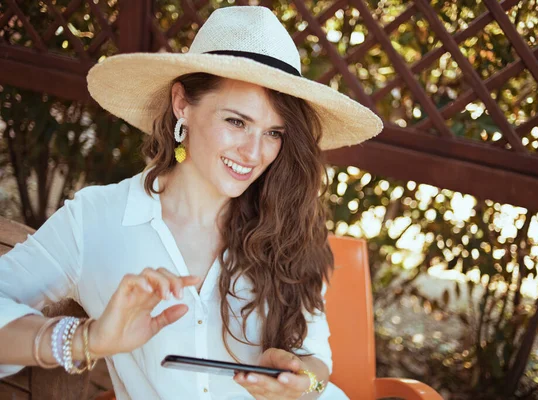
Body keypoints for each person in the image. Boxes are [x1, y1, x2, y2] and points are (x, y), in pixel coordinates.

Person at [0, 6, 382, 399]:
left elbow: (318, 362)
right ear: (182, 103)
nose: (254, 152)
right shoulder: (97, 219)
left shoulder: (287, 226)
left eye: (273, 132)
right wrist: (87, 340)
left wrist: (303, 382)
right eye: (236, 121)